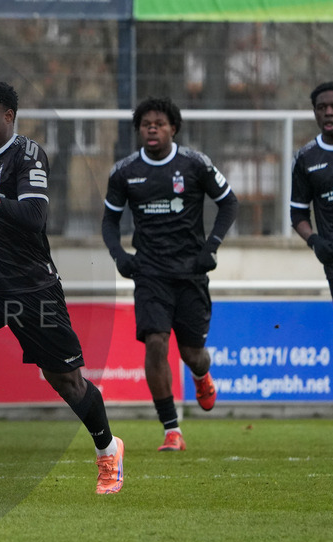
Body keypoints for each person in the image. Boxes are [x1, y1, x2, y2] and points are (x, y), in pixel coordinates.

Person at [0, 81, 124, 495]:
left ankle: (108, 449)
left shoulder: (28, 155)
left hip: (34, 289)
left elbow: (33, 216)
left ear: (8, 116)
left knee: (67, 382)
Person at [102, 96, 238, 452]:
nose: (152, 128)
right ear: (139, 130)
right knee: (156, 344)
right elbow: (109, 221)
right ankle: (171, 430)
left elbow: (229, 202)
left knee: (194, 354)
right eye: (146, 123)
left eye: (159, 123)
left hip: (191, 271)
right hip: (150, 274)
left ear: (172, 128)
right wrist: (119, 256)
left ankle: (200, 374)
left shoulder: (194, 164)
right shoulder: (125, 171)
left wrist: (211, 247)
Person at [290, 81, 333, 335]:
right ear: (315, 113)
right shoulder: (306, 158)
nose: (329, 112)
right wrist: (315, 241)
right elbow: (297, 213)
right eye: (322, 107)